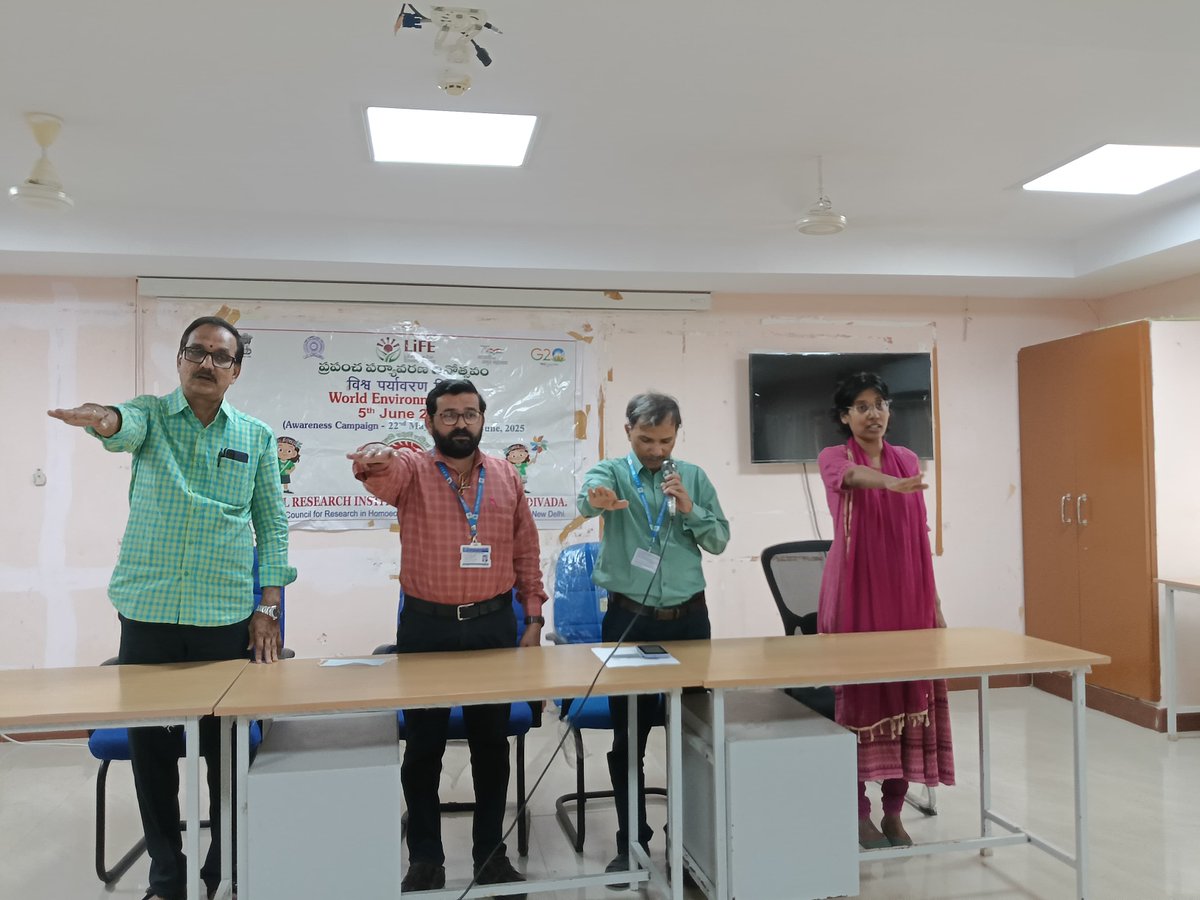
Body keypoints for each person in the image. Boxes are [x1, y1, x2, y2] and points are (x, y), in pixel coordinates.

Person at [47, 315, 295, 900]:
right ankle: (167, 873)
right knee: (152, 753)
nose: (206, 363)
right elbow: (121, 424)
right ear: (180, 360)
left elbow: (272, 523)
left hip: (224, 616)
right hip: (148, 613)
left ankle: (220, 869)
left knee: (224, 754)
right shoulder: (151, 415)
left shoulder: (256, 436)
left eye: (219, 356)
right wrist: (103, 419)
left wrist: (271, 606)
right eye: (196, 352)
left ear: (235, 372)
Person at [348, 378, 545, 896]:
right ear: (430, 420)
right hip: (427, 627)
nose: (461, 422)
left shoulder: (505, 476)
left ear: (483, 418)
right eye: (449, 414)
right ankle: (426, 860)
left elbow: (526, 551)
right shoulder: (413, 469)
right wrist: (376, 456)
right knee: (424, 747)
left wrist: (533, 618)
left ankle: (490, 856)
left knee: (491, 746)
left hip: (493, 626)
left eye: (470, 413)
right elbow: (380, 473)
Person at [577, 391, 730, 877]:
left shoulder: (694, 478)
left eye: (665, 440)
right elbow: (589, 498)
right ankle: (631, 843)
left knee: (695, 736)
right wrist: (596, 502)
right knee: (631, 736)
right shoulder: (612, 472)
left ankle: (689, 844)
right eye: (646, 439)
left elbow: (719, 540)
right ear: (628, 432)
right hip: (629, 621)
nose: (656, 450)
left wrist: (690, 508)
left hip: (689, 621)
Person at [816, 371, 954, 849]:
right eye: (861, 406)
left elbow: (920, 539)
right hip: (853, 595)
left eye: (879, 404)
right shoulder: (834, 457)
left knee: (907, 702)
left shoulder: (909, 459)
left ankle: (895, 812)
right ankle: (858, 815)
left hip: (909, 596)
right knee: (857, 702)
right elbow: (851, 478)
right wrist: (890, 485)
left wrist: (933, 605)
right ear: (845, 416)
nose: (873, 413)